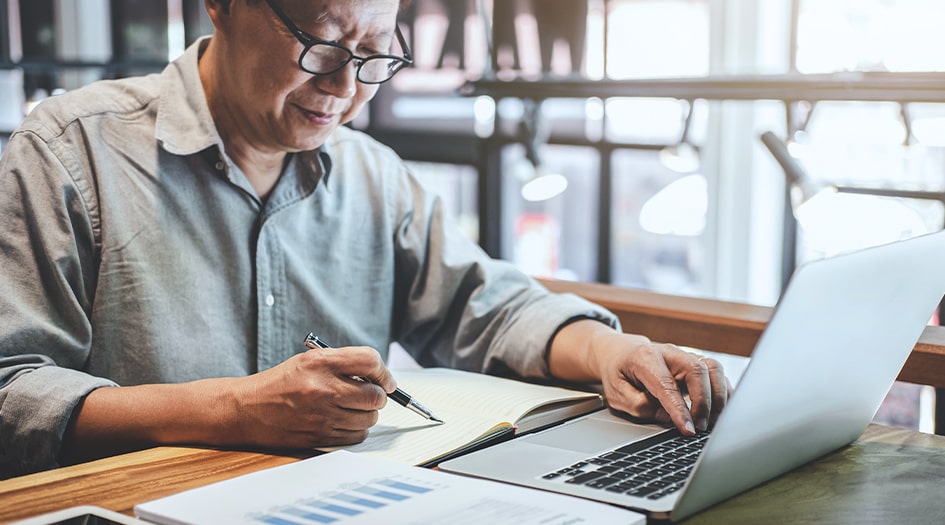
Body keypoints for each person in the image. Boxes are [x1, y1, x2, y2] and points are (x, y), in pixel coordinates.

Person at [0, 0, 731, 478]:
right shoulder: (70, 153)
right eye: (320, 44)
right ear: (220, 6)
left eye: (374, 53)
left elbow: (487, 306)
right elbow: (12, 392)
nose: (346, 86)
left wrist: (612, 352)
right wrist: (230, 409)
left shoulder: (372, 174)